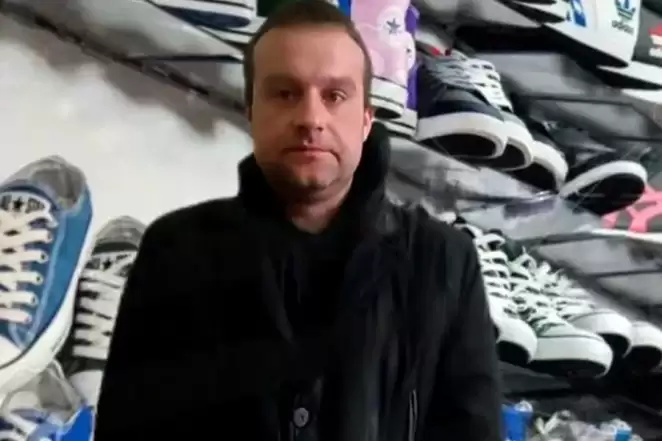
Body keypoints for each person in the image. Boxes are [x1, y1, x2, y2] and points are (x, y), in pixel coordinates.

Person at [94, 1, 503, 440]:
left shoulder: (442, 262)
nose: (310, 118)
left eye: (335, 96)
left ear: (366, 119)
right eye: (285, 93)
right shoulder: (177, 250)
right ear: (252, 110)